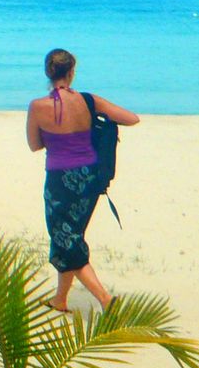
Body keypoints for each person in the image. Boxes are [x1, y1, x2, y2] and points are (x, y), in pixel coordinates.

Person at [26, 48, 138, 314]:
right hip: (89, 179)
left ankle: (106, 300)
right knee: (72, 237)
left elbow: (34, 145)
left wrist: (55, 136)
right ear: (72, 72)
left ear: (47, 73)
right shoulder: (89, 101)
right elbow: (132, 118)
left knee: (67, 240)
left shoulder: (38, 106)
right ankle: (60, 300)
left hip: (59, 181)